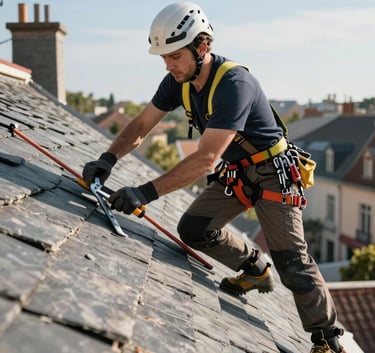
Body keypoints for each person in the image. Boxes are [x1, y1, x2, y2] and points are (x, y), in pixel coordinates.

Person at [82, 3, 346, 352]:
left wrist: (144, 193)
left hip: (272, 173)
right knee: (193, 230)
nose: (167, 65)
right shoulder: (179, 81)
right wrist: (108, 158)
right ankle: (253, 269)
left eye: (174, 56)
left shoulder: (234, 83)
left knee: (293, 265)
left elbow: (206, 159)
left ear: (202, 47)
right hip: (237, 171)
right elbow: (142, 125)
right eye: (163, 57)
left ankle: (328, 339)